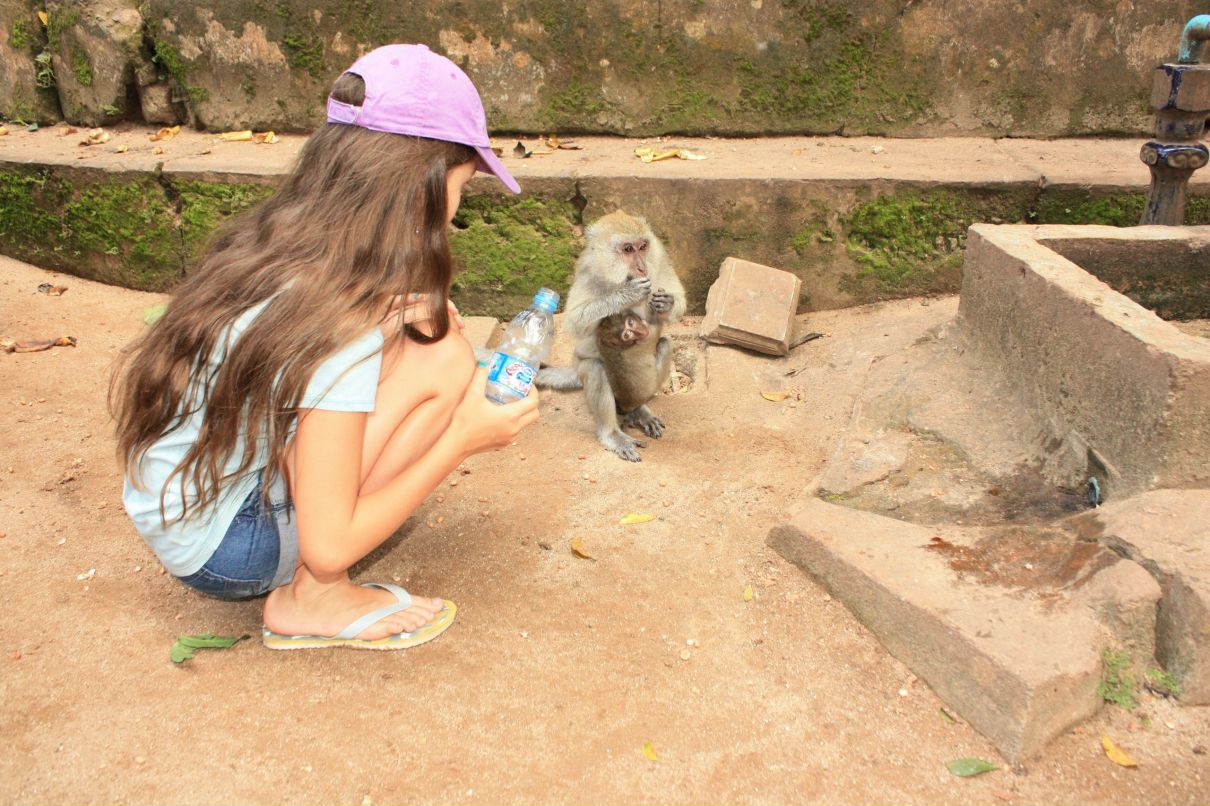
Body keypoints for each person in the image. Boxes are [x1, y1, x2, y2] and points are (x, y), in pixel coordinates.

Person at [110, 44, 538, 651]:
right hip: (229, 549)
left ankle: (310, 550)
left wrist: (390, 319)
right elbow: (330, 543)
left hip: (183, 501)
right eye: (462, 184)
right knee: (447, 362)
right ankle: (315, 596)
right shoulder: (342, 323)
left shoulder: (283, 248)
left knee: (434, 346)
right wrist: (462, 439)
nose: (456, 209)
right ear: (419, 184)